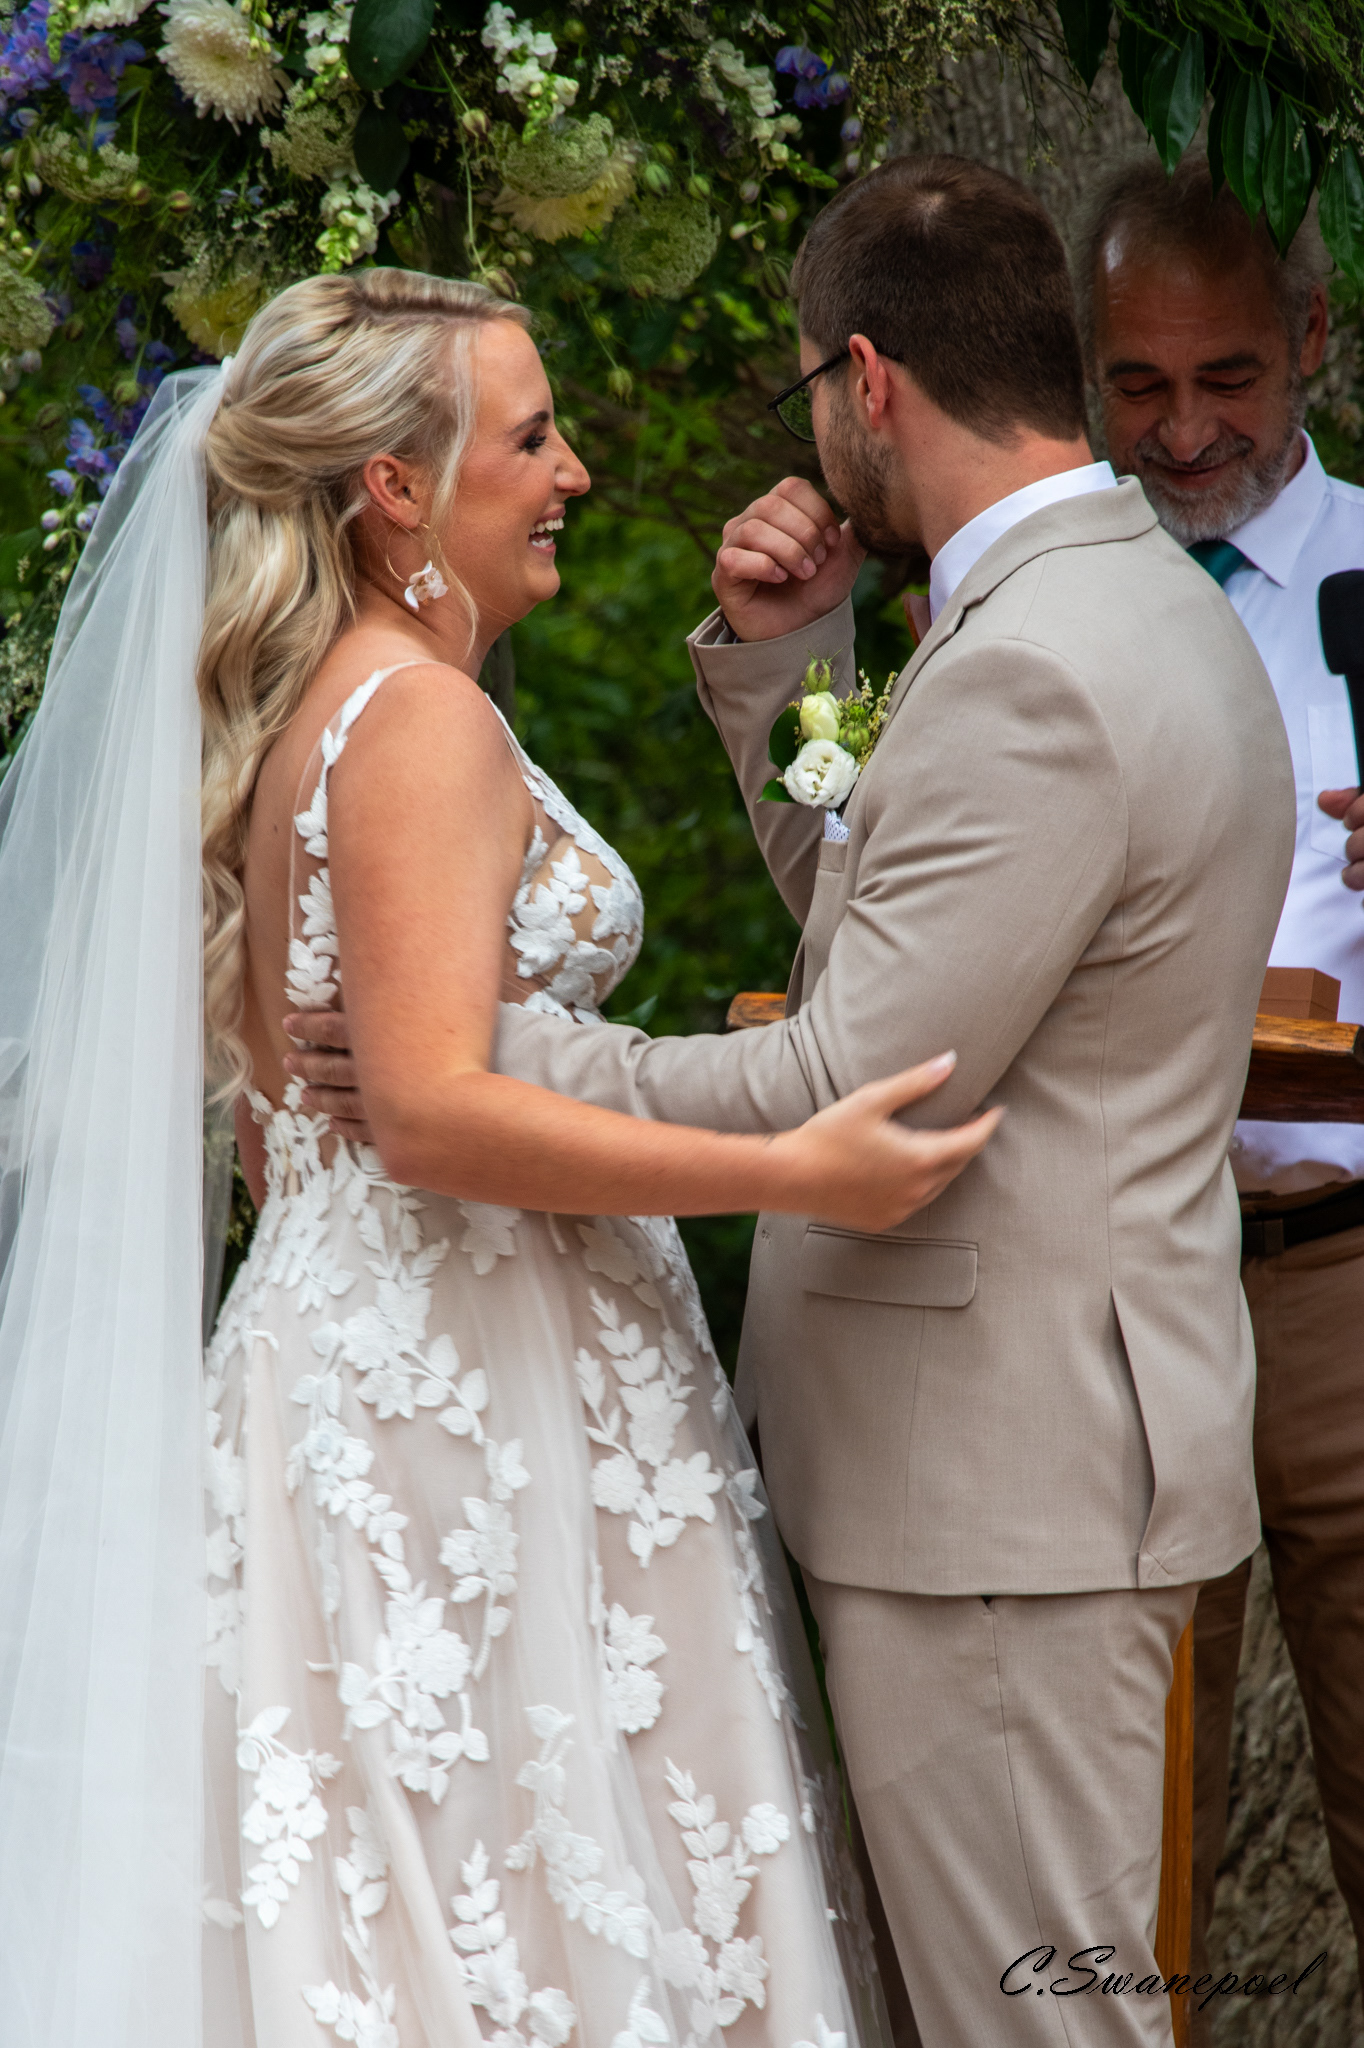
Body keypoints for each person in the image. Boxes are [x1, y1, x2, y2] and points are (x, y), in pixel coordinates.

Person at [290, 156, 1297, 2046]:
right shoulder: (1108, 608)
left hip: (1000, 1496)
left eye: (808, 392)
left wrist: (487, 1058)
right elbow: (902, 951)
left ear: (867, 381)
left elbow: (849, 1077)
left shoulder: (1039, 668)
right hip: (1017, 1473)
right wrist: (790, 676)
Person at [0, 268, 1010, 2048]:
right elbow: (429, 1112)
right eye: (531, 439)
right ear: (397, 484)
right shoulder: (421, 722)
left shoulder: (322, 707)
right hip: (468, 1387)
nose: (574, 474)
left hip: (379, 1357)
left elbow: (303, 1129)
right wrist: (802, 1172)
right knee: (511, 1876)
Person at [1082, 152, 1364, 2028]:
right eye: (1140, 383)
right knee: (1126, 1833)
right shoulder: (1034, 589)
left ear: (1313, 340)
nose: (1186, 432)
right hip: (1117, 1281)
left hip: (1351, 1266)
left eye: (1230, 378)